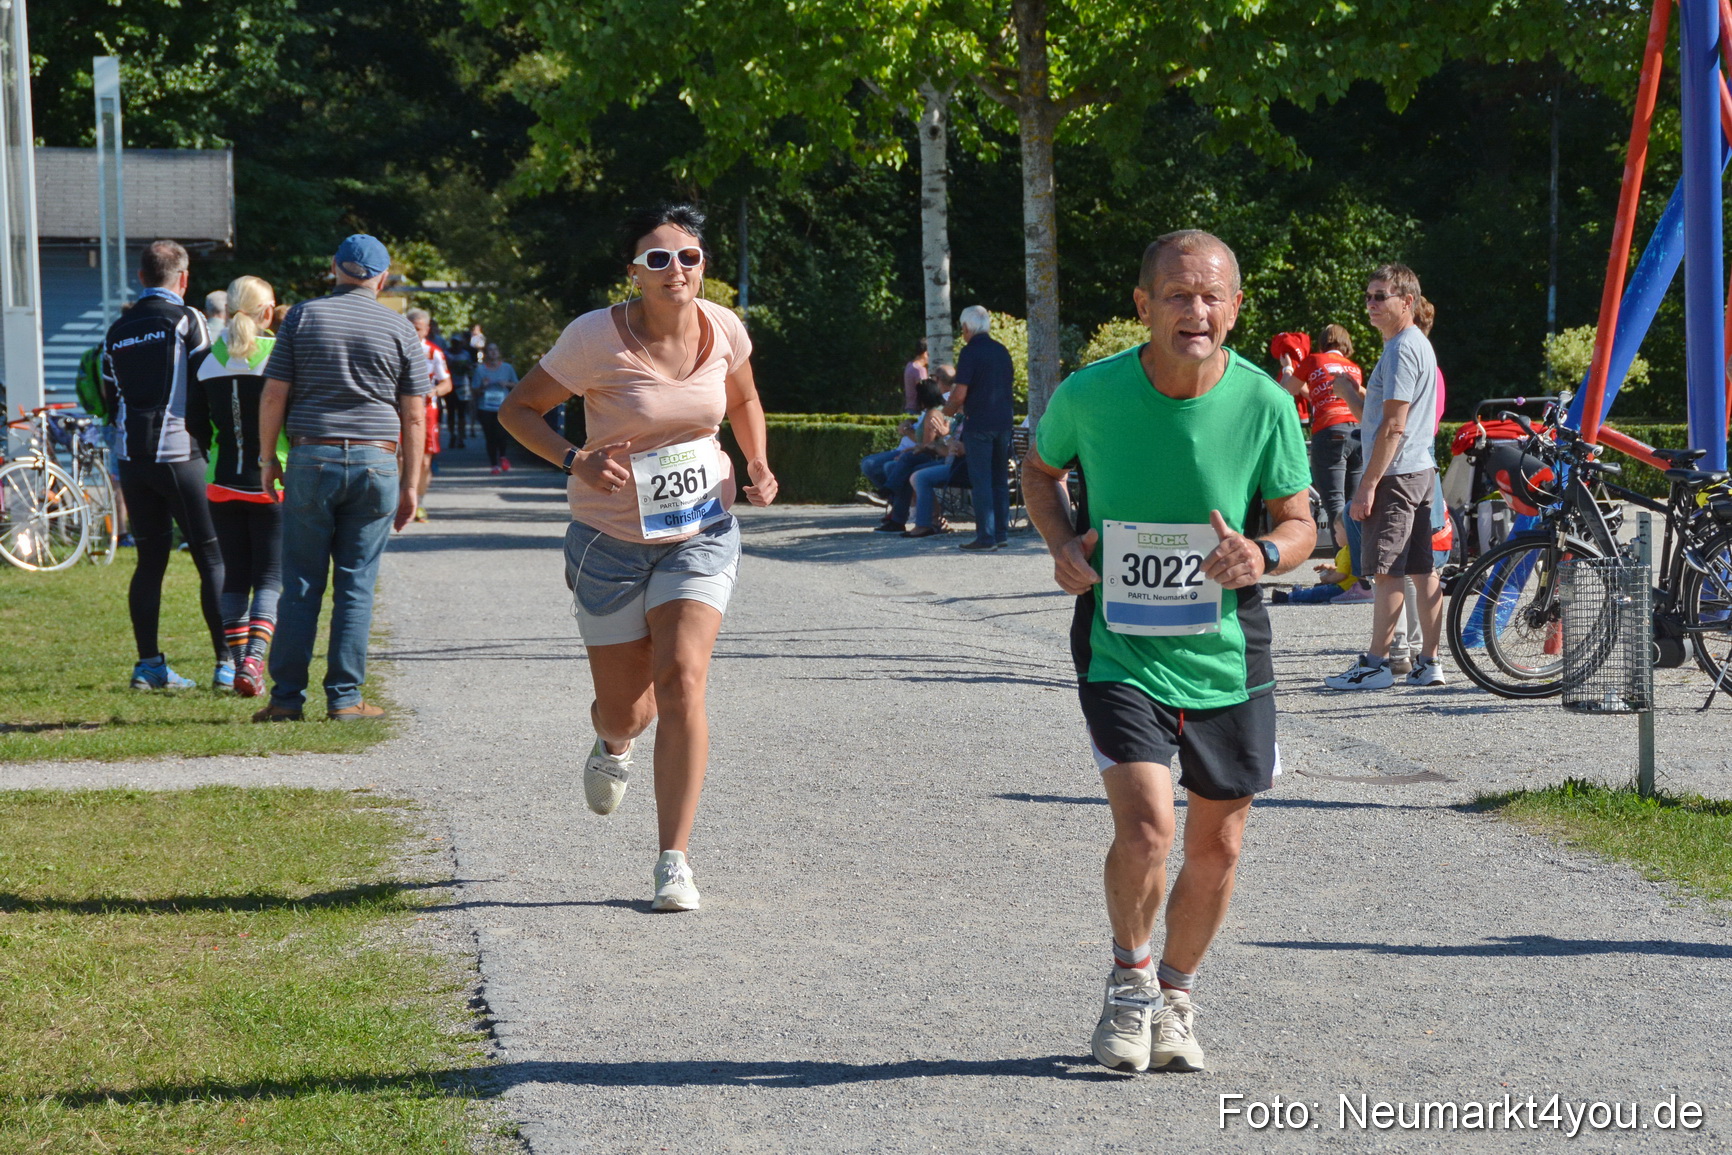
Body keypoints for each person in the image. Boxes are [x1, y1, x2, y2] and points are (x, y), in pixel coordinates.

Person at [1021, 229, 1314, 1074]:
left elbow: (1301, 524)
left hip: (1226, 647)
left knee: (1219, 843)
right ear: (1143, 306)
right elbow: (1039, 472)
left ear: (1236, 306)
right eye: (1179, 295)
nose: (1197, 311)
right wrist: (1061, 545)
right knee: (1149, 828)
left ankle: (1177, 995)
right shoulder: (1092, 393)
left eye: (1212, 295)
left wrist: (1262, 554)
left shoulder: (1264, 403)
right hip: (1120, 642)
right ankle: (1129, 980)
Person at [497, 203, 777, 913]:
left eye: (687, 256)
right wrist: (575, 459)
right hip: (609, 541)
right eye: (657, 259)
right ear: (633, 273)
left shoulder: (726, 330)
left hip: (702, 529)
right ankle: (611, 741)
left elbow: (743, 398)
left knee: (683, 676)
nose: (675, 270)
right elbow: (518, 409)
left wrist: (759, 462)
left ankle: (673, 860)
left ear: (703, 265)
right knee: (626, 707)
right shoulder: (594, 338)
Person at [252, 233, 429, 722]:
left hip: (312, 459)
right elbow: (415, 415)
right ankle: (346, 699)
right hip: (376, 463)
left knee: (302, 583)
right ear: (383, 277)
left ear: (335, 268)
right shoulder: (400, 330)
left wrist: (269, 459)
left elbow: (273, 395)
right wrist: (411, 484)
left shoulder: (303, 318)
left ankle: (286, 699)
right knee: (356, 585)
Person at [103, 239, 228, 690]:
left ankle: (149, 665)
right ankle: (227, 665)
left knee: (150, 560)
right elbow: (207, 381)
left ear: (141, 277)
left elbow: (107, 395)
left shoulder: (117, 328)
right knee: (212, 557)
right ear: (184, 278)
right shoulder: (188, 318)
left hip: (132, 457)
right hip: (180, 453)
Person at [1324, 264, 1446, 690]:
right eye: (1368, 296)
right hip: (1418, 469)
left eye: (1381, 296)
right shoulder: (1414, 345)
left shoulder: (1400, 350)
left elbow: (1394, 427)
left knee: (1388, 571)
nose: (1371, 304)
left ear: (1406, 302)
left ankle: (1376, 665)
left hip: (1396, 474)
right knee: (1421, 570)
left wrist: (1368, 485)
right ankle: (1429, 662)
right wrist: (1351, 396)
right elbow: (1382, 421)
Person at [187, 275, 286, 698]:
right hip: (271, 480)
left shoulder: (204, 359)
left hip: (220, 481)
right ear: (268, 313)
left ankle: (237, 662)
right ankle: (253, 662)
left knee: (234, 578)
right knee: (269, 576)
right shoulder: (280, 355)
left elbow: (194, 424)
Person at [1279, 323, 1363, 558]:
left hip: (1329, 432)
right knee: (1353, 505)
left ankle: (1344, 570)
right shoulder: (1353, 368)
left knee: (1334, 502)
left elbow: (1286, 391)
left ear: (1323, 342)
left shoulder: (1313, 360)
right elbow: (1323, 393)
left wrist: (1287, 369)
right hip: (1358, 433)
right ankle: (1360, 571)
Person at [945, 306, 1015, 550]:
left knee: (982, 479)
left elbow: (960, 392)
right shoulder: (1002, 351)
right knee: (999, 479)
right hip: (1004, 422)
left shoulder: (969, 352)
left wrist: (948, 412)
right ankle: (1001, 533)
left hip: (980, 424)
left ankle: (985, 537)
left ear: (966, 328)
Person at [871, 378, 952, 533]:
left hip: (933, 455)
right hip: (931, 453)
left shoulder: (933, 413)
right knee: (896, 465)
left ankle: (890, 497)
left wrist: (909, 446)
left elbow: (927, 445)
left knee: (903, 463)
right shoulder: (932, 412)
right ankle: (894, 510)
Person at [405, 309, 453, 521]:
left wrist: (433, 392)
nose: (414, 333)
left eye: (418, 329)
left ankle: (419, 502)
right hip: (399, 410)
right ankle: (398, 500)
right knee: (397, 456)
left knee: (425, 461)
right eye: (411, 328)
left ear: (426, 330)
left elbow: (447, 384)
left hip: (427, 411)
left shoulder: (434, 352)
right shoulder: (396, 349)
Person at [474, 342, 518, 473]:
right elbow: (474, 391)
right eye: (490, 350)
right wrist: (483, 386)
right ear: (486, 354)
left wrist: (507, 383)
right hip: (485, 408)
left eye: (495, 350)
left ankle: (503, 456)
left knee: (501, 434)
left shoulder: (507, 368)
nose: (493, 352)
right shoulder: (480, 370)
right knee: (490, 436)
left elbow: (517, 385)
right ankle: (494, 464)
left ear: (499, 352)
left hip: (502, 408)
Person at [903, 338, 930, 412]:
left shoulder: (909, 365)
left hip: (909, 408)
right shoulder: (920, 370)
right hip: (917, 410)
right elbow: (924, 393)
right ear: (925, 353)